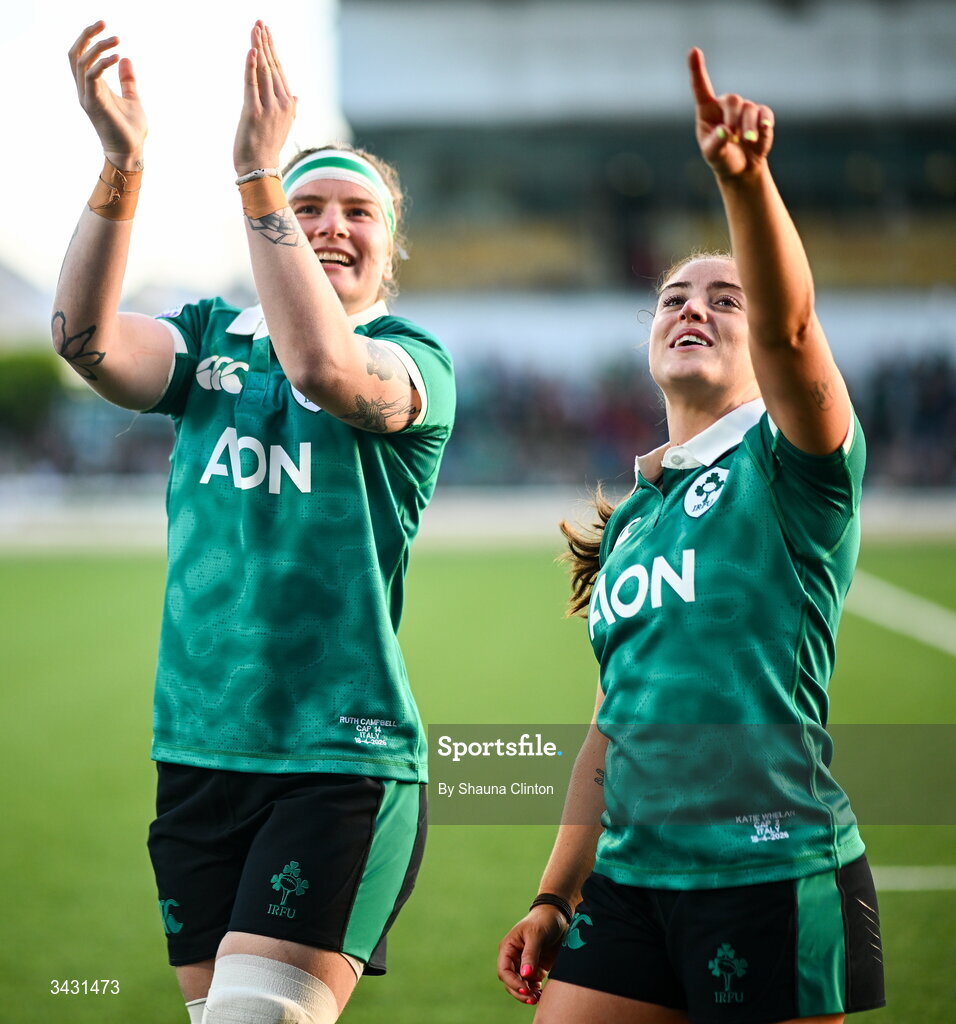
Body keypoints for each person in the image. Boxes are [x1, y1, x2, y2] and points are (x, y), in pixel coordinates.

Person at [58, 20, 454, 1024]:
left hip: (336, 762)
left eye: (353, 211)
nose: (326, 224)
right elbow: (85, 339)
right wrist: (122, 163)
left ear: (388, 247)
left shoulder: (412, 361)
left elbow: (322, 371)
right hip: (196, 755)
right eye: (306, 201)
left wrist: (257, 176)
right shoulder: (204, 344)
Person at [497, 48, 885, 1024]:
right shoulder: (632, 517)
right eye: (673, 297)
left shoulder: (792, 464)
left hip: (769, 866)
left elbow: (794, 331)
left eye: (724, 298)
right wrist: (555, 890)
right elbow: (607, 724)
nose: (691, 308)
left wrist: (743, 183)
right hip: (630, 880)